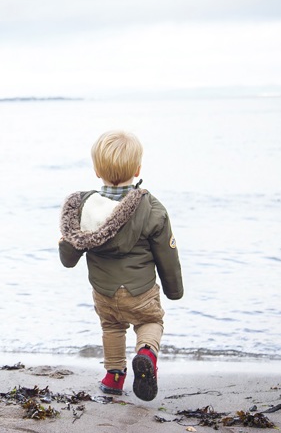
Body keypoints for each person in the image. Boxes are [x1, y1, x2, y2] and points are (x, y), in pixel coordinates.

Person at [58, 130, 183, 401]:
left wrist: (66, 252)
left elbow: (70, 253)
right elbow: (167, 253)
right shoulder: (151, 207)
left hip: (104, 291)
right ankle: (147, 352)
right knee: (150, 321)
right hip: (141, 291)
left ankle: (113, 378)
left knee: (112, 327)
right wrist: (174, 290)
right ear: (138, 169)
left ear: (96, 170)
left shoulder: (84, 207)